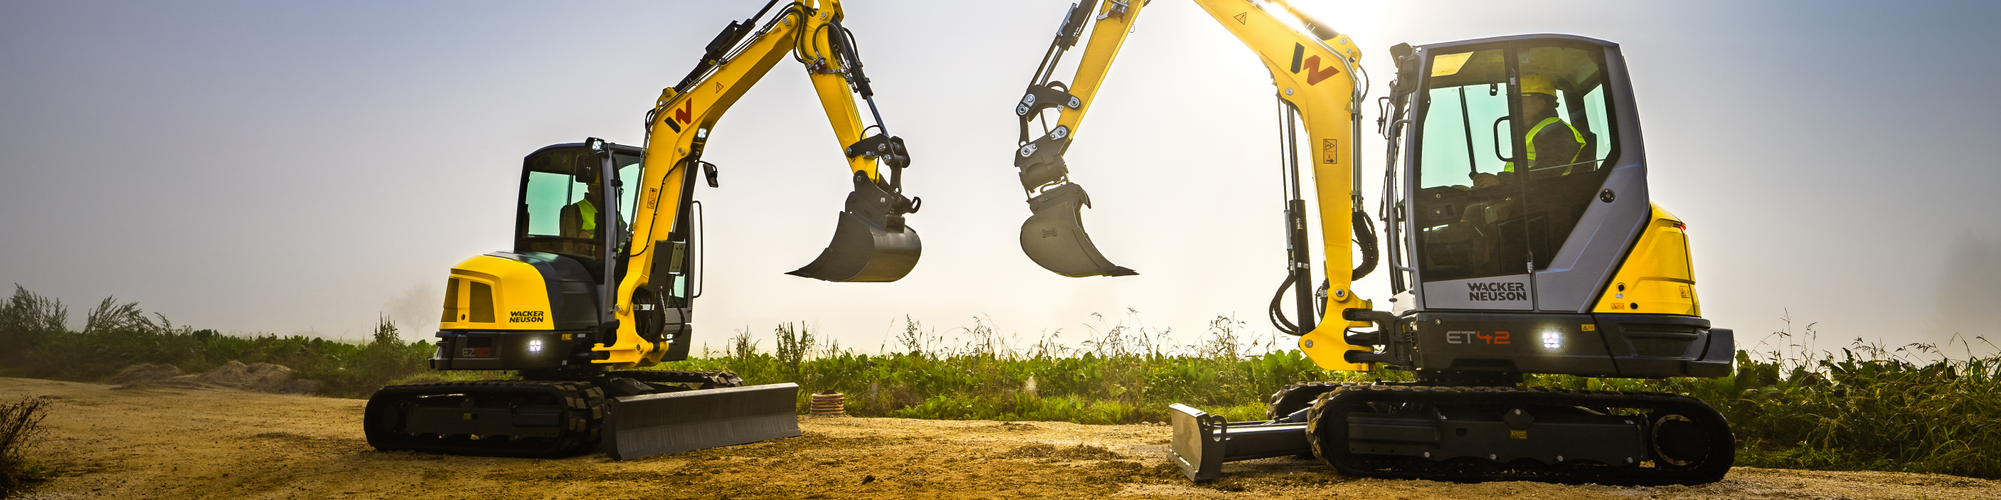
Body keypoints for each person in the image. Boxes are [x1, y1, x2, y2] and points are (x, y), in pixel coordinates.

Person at [1473, 74, 1585, 188]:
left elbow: (1548, 172)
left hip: (1547, 198)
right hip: (1527, 194)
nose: (1513, 108)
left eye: (1519, 102)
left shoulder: (1557, 132)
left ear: (1540, 104)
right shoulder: (1536, 131)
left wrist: (1501, 180)